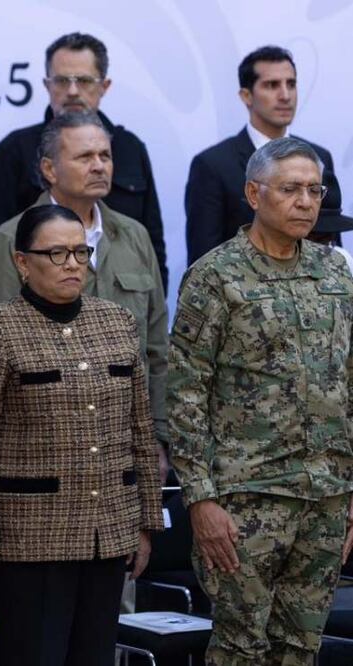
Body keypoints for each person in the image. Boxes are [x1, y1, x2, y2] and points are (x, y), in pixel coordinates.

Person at [169, 136, 353, 664]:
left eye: (314, 190)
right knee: (241, 649)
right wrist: (201, 501)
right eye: (290, 189)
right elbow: (185, 393)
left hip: (326, 496)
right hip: (245, 499)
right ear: (253, 193)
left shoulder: (335, 272)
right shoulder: (215, 276)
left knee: (301, 647)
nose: (305, 202)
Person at [0, 204, 163, 665]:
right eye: (56, 253)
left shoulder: (116, 322)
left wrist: (147, 522)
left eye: (79, 251)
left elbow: (140, 430)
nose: (73, 264)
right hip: (29, 540)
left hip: (108, 532)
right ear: (22, 262)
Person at [0, 110, 169, 480]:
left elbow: (157, 348)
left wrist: (159, 436)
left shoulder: (134, 236)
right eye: (85, 157)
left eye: (105, 156)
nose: (99, 166)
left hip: (126, 445)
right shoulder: (10, 240)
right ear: (49, 170)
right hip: (43, 450)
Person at [0, 32, 166, 290]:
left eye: (84, 80)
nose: (73, 91)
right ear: (46, 85)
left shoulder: (130, 148)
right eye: (62, 81)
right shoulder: (13, 150)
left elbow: (153, 248)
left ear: (104, 86)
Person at [185, 45, 344, 265]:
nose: (285, 95)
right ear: (246, 95)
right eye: (272, 85)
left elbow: (332, 244)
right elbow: (202, 258)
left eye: (291, 84)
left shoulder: (319, 157)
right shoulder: (213, 165)